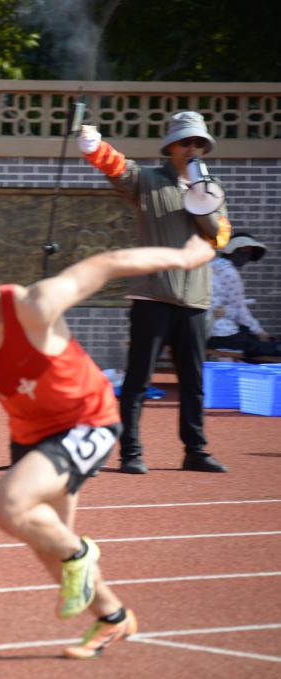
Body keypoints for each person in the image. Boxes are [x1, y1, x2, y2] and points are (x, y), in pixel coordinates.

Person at [0, 221, 216, 659]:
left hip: (88, 420)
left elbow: (109, 263)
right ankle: (114, 617)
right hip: (31, 435)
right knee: (48, 545)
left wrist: (186, 258)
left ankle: (81, 553)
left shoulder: (33, 306)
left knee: (7, 504)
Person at [77, 111, 231, 474]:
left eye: (199, 143)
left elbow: (221, 237)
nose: (192, 148)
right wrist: (93, 145)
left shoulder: (213, 188)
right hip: (152, 296)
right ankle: (130, 452)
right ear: (171, 147)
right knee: (138, 380)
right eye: (185, 142)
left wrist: (201, 196)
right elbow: (118, 168)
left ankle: (195, 450)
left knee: (193, 382)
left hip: (195, 300)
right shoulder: (148, 180)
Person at [207, 232, 281, 362]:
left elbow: (225, 304)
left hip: (204, 329)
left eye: (249, 252)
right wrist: (260, 332)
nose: (247, 256)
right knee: (263, 349)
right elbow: (240, 310)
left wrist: (226, 310)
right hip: (219, 333)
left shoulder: (214, 265)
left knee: (250, 339)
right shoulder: (229, 272)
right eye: (244, 251)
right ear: (233, 251)